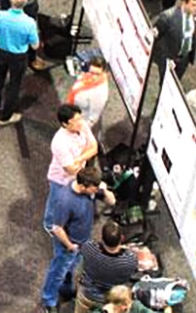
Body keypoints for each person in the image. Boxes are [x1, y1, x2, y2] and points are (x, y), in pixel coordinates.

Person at [39, 167, 111, 313]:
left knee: (71, 268)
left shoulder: (90, 189)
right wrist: (69, 245)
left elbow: (112, 201)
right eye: (93, 189)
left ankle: (66, 290)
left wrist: (105, 190)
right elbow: (57, 228)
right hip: (68, 245)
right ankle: (49, 300)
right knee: (58, 272)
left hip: (82, 241)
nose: (95, 191)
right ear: (83, 186)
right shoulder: (65, 200)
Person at [0, 0, 38, 124]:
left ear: (10, 0)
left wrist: (0, 42)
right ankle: (5, 117)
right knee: (14, 85)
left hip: (2, 52)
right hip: (19, 56)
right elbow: (35, 46)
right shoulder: (29, 23)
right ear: (25, 3)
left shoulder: (0, 16)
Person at [75, 221, 139, 311]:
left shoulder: (89, 248)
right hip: (109, 300)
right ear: (122, 238)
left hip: (87, 293)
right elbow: (128, 277)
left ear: (102, 238)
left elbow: (86, 248)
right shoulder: (129, 260)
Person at [48, 104, 99, 191]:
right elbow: (71, 170)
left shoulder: (82, 125)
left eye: (80, 118)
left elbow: (94, 148)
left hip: (78, 175)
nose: (80, 123)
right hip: (61, 181)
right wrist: (87, 153)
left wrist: (79, 159)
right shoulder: (59, 142)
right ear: (65, 124)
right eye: (75, 121)